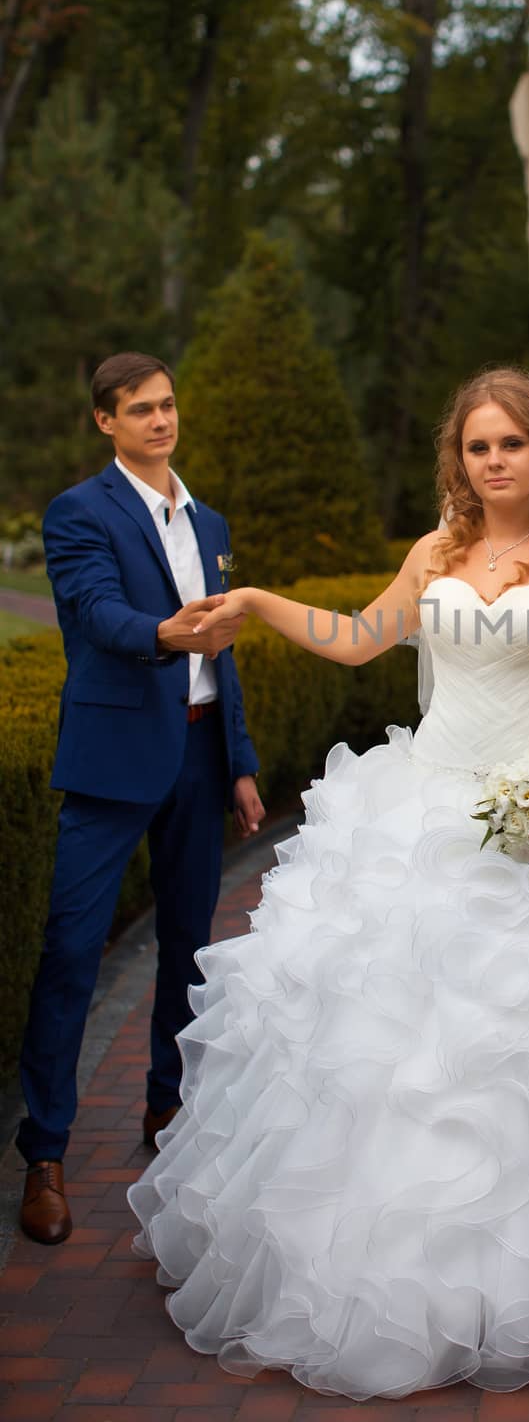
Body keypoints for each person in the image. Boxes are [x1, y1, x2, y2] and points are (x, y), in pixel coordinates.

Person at [128, 367, 529, 1398]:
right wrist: (259, 602)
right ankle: (374, 1279)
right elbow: (359, 642)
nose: (493, 461)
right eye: (477, 446)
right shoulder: (434, 551)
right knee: (389, 1051)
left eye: (510, 445)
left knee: (527, 1055)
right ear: (462, 457)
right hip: (423, 800)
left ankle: (526, 1283)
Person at [17, 352, 265, 1248]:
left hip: (201, 760)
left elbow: (222, 655)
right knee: (72, 953)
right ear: (105, 422)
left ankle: (168, 1113)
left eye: (166, 405)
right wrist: (165, 632)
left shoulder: (211, 520)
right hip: (113, 759)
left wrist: (238, 763)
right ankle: (44, 1151)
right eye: (139, 409)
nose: (160, 421)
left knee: (188, 950)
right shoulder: (80, 512)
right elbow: (92, 612)